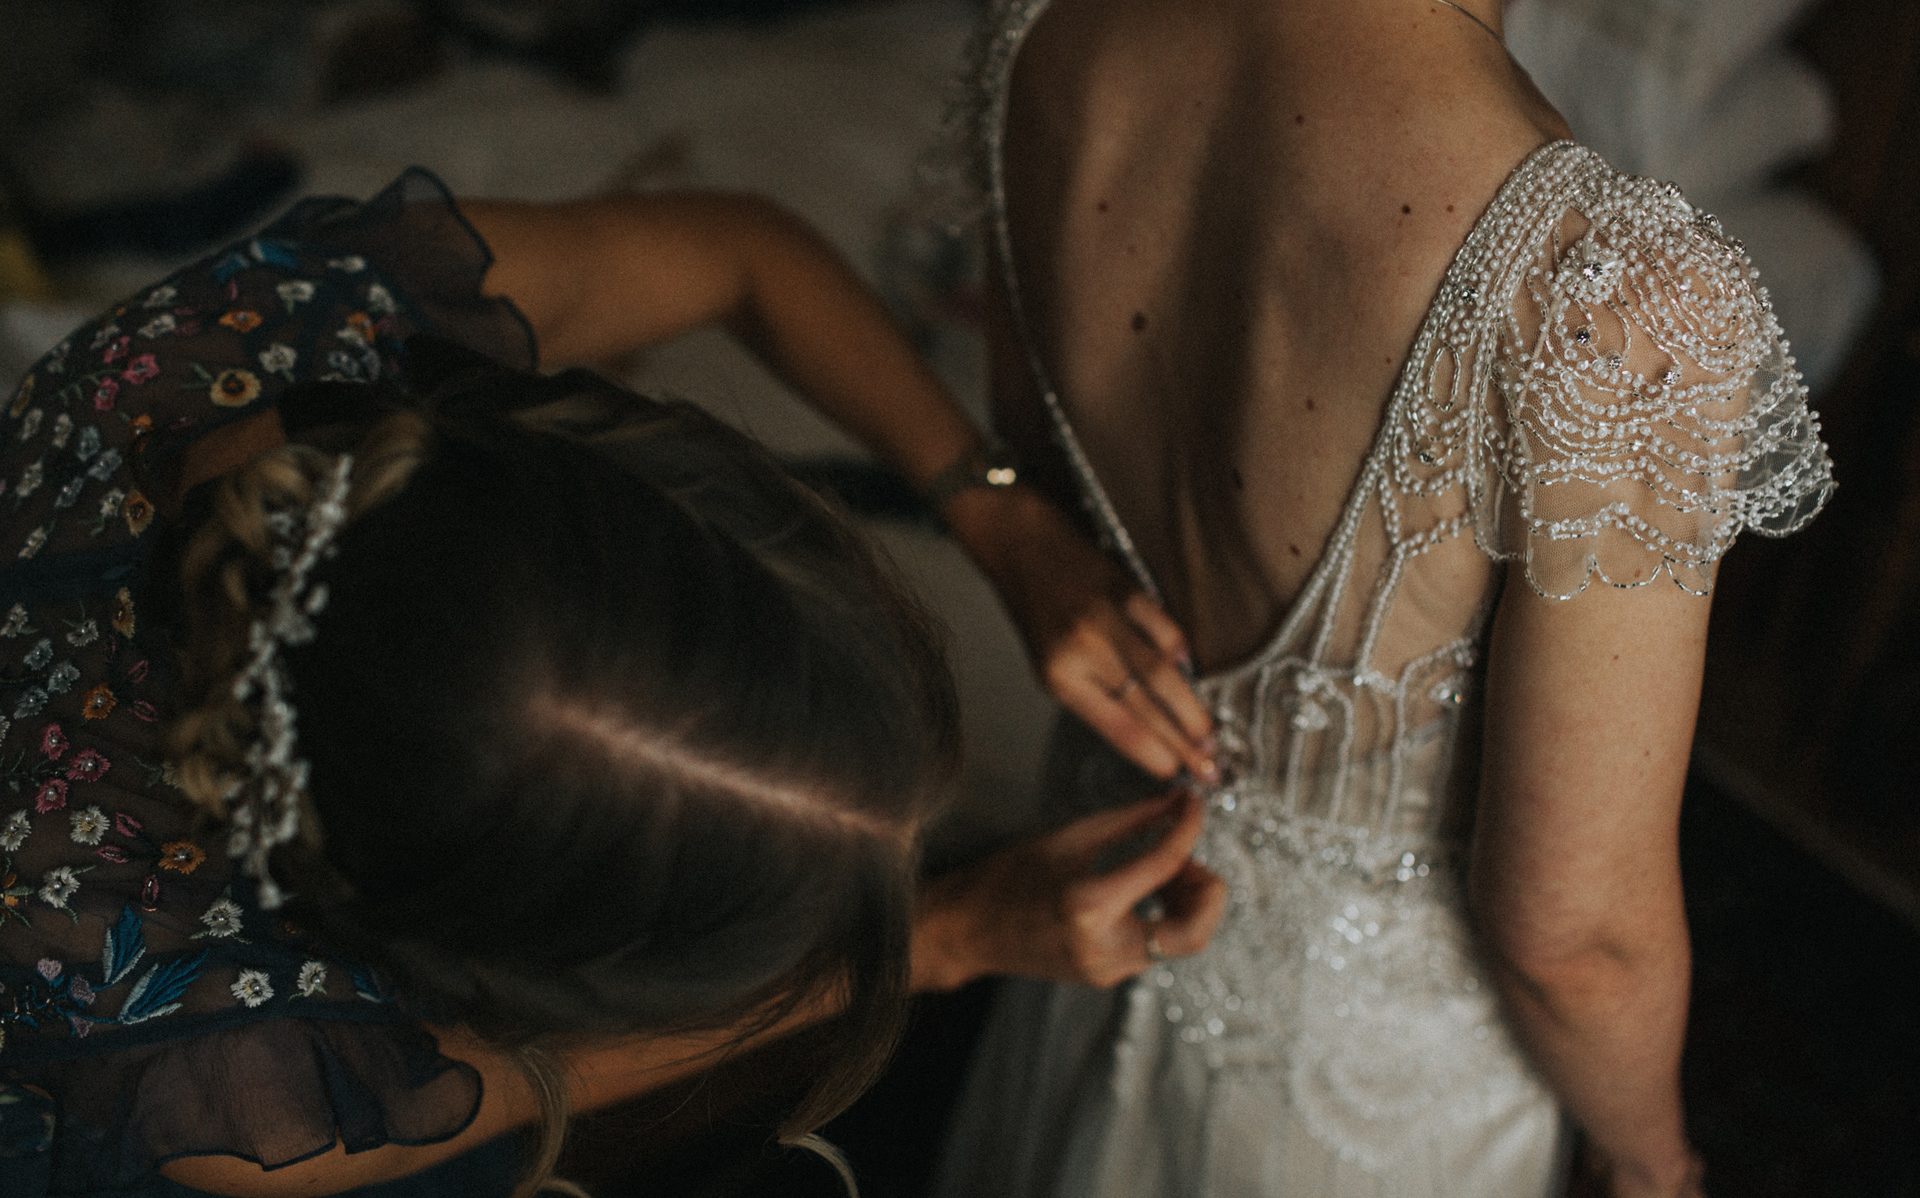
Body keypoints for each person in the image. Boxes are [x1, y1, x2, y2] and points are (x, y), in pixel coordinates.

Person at [0, 169, 1227, 1198]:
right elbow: (518, 1079)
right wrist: (951, 934)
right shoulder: (203, 1063)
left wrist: (994, 511)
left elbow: (740, 252)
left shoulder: (268, 338)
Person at [925, 0, 1834, 1197]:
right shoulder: (1618, 299)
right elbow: (1574, 936)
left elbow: (1051, 509)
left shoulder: (1052, 32)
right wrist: (1653, 1159)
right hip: (1364, 1110)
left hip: (1093, 932)